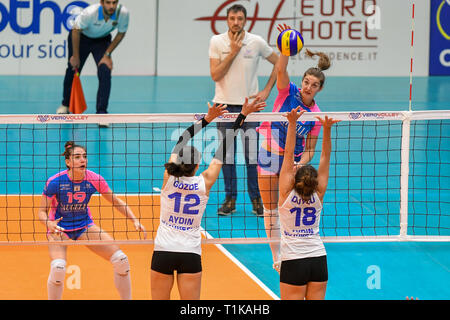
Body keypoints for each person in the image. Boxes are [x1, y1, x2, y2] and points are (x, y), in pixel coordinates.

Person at [150, 98, 266, 300]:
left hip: (163, 251)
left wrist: (207, 119)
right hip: (190, 253)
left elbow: (182, 140)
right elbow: (226, 145)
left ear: (178, 162)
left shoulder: (168, 178)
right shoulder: (205, 181)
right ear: (196, 167)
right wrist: (243, 115)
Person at [257, 24, 331, 270]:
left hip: (292, 163)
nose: (308, 87)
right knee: (269, 209)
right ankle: (276, 256)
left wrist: (303, 162)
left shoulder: (316, 114)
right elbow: (280, 68)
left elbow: (311, 147)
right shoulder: (286, 92)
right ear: (302, 82)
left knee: (286, 209)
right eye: (306, 82)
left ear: (319, 89)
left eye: (314, 85)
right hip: (268, 155)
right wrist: (285, 48)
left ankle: (290, 249)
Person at [38, 141, 146, 300]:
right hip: (59, 229)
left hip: (84, 226)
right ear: (68, 162)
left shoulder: (94, 179)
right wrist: (49, 223)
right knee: (58, 269)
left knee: (121, 260)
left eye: (84, 157)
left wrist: (134, 220)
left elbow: (115, 201)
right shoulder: (55, 182)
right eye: (77, 157)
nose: (83, 160)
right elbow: (41, 211)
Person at [209, 4, 279, 216]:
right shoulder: (216, 41)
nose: (236, 22)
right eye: (232, 18)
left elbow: (278, 63)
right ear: (227, 20)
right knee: (227, 156)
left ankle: (256, 199)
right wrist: (233, 52)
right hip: (224, 107)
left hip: (250, 107)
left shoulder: (256, 42)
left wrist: (267, 89)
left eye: (239, 18)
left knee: (251, 156)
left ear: (245, 21)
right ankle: (230, 199)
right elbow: (215, 75)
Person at [278, 107, 340, 300]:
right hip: (318, 259)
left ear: (295, 179)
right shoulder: (318, 194)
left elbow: (288, 153)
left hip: (293, 260)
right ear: (314, 182)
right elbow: (325, 157)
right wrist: (327, 129)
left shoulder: (286, 193)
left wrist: (292, 123)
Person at [57, 0, 129, 120]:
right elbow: (75, 31)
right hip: (81, 38)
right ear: (102, 3)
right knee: (73, 69)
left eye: (114, 3)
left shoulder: (123, 14)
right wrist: (75, 56)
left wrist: (107, 55)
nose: (111, 6)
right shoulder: (90, 13)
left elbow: (121, 33)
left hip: (101, 41)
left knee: (105, 70)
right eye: (108, 2)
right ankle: (65, 104)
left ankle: (101, 112)